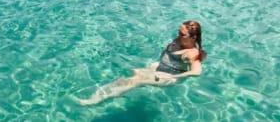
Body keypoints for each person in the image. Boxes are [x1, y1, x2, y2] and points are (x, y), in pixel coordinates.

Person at [78, 20, 206, 105]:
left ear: (193, 37)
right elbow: (166, 54)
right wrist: (154, 65)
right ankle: (96, 95)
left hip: (170, 76)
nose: (178, 35)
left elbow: (197, 71)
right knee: (129, 75)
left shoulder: (191, 53)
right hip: (160, 68)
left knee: (136, 81)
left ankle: (94, 101)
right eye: (178, 31)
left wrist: (173, 77)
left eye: (182, 33)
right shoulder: (179, 40)